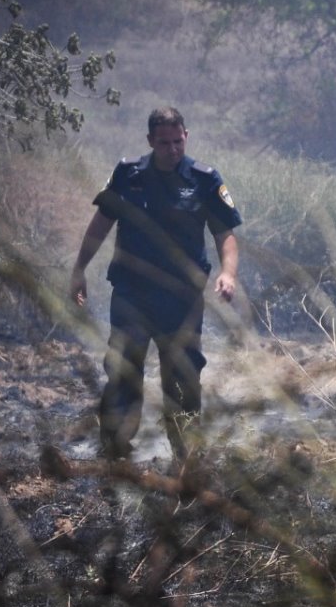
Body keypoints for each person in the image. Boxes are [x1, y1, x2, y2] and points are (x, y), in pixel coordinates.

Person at [69, 107, 242, 463]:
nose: (172, 149)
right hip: (132, 294)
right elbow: (100, 225)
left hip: (182, 299)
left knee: (183, 375)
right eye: (164, 143)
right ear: (150, 141)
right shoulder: (127, 175)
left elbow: (224, 234)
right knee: (123, 370)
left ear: (186, 137)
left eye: (178, 141)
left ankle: (185, 456)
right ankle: (115, 452)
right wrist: (79, 269)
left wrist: (228, 273)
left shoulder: (205, 179)